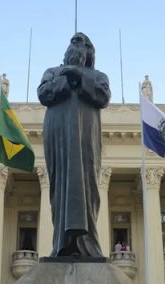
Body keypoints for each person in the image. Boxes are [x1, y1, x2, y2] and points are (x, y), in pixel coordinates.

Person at [37, 32, 111, 257]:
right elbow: (43, 94)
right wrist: (66, 79)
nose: (76, 47)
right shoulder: (53, 72)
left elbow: (103, 96)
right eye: (73, 43)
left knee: (87, 184)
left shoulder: (98, 75)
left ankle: (87, 244)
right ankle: (62, 244)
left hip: (86, 135)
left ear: (89, 53)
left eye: (83, 44)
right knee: (60, 187)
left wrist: (81, 76)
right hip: (58, 135)